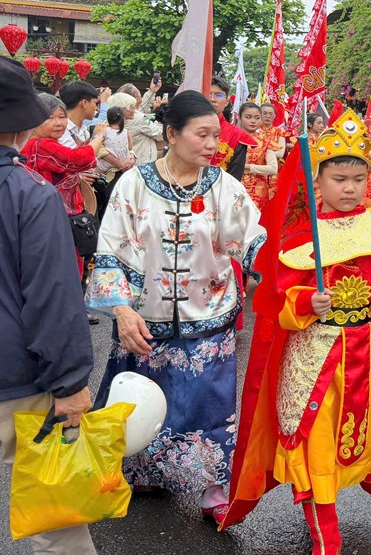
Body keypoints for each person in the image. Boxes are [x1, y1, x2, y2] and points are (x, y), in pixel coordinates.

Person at [224, 107, 371, 553]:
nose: (349, 188)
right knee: (316, 440)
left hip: (362, 355)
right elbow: (276, 304)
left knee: (347, 439)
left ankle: (319, 508)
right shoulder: (299, 237)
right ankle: (327, 531)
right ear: (317, 182)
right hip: (314, 355)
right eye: (339, 179)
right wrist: (308, 300)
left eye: (358, 180)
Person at [84, 91, 266, 524]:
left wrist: (293, 272)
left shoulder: (225, 186)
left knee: (209, 404)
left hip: (209, 318)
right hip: (144, 320)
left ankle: (212, 487)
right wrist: (123, 311)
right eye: (202, 134)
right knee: (144, 399)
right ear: (171, 134)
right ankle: (145, 471)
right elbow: (111, 249)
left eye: (216, 135)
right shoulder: (134, 184)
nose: (212, 144)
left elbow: (255, 241)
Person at [0, 58, 97, 554]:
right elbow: (53, 295)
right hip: (18, 379)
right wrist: (71, 381)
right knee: (57, 527)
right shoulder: (28, 193)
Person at [21, 93, 104, 274]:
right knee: (64, 269)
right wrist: (98, 138)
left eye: (62, 117)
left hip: (54, 219)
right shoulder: (41, 145)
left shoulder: (43, 143)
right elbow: (77, 160)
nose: (58, 123)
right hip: (55, 220)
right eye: (49, 118)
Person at [208, 75, 256, 180]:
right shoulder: (184, 128)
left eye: (218, 95)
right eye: (208, 94)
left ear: (226, 102)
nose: (212, 99)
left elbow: (234, 178)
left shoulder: (237, 136)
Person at [238, 102, 278, 211]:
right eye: (248, 117)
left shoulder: (265, 142)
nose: (253, 121)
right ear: (239, 117)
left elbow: (273, 168)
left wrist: (247, 167)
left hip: (258, 193)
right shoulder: (232, 139)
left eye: (257, 118)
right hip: (234, 189)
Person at [119, 83, 165, 165]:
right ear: (137, 100)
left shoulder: (121, 114)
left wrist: (152, 91)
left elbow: (142, 110)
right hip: (142, 164)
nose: (141, 99)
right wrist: (159, 113)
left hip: (130, 162)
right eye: (140, 96)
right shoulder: (139, 118)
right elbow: (160, 135)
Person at [57, 80, 101, 149]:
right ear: (84, 103)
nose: (96, 108)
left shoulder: (84, 131)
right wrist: (99, 137)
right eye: (95, 103)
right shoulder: (59, 129)